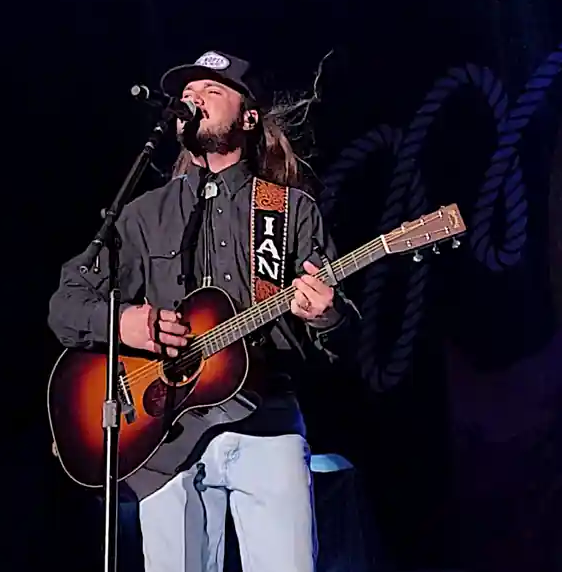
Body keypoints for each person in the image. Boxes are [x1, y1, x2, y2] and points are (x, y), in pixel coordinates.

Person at [47, 50, 358, 572]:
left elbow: (341, 339)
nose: (194, 100)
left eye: (212, 91)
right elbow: (65, 305)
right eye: (187, 95)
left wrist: (324, 314)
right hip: (165, 438)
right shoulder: (143, 215)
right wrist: (125, 323)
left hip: (267, 424)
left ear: (248, 116)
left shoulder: (287, 209)